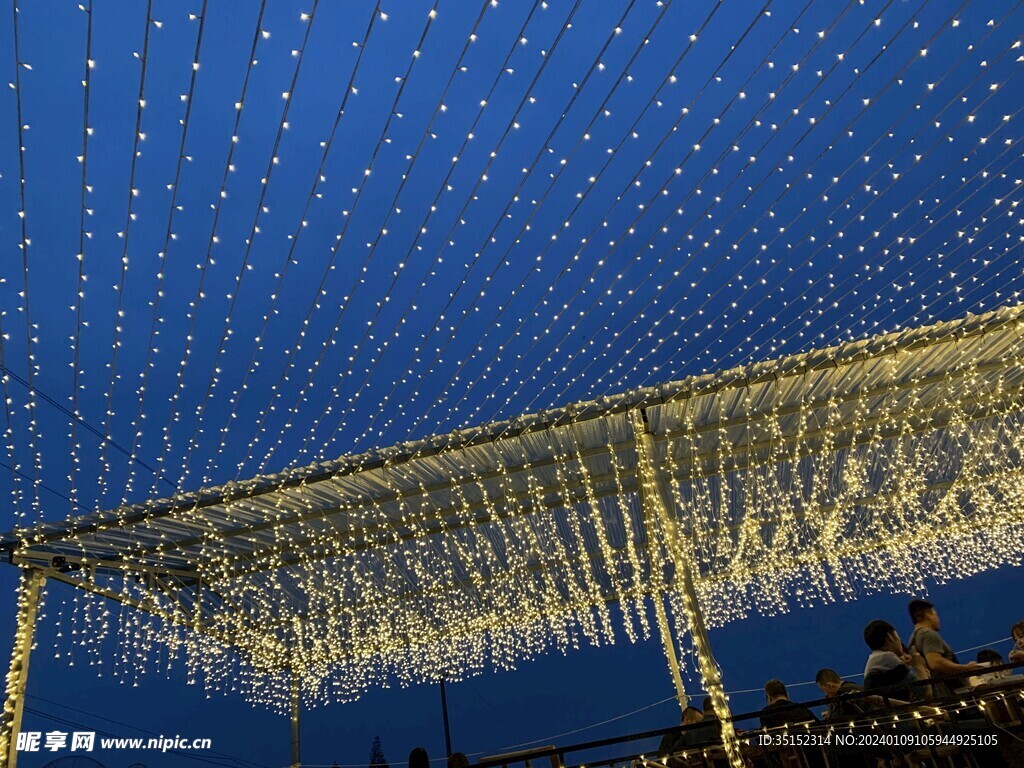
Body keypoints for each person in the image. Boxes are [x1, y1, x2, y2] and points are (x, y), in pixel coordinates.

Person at [907, 599, 982, 697]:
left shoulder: (914, 637)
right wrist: (967, 668)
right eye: (935, 614)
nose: (938, 618)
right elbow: (936, 663)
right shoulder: (928, 634)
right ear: (927, 615)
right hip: (950, 692)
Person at [863, 619, 929, 699]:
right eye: (897, 636)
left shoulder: (876, 660)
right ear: (890, 636)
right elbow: (925, 691)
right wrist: (918, 665)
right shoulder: (887, 657)